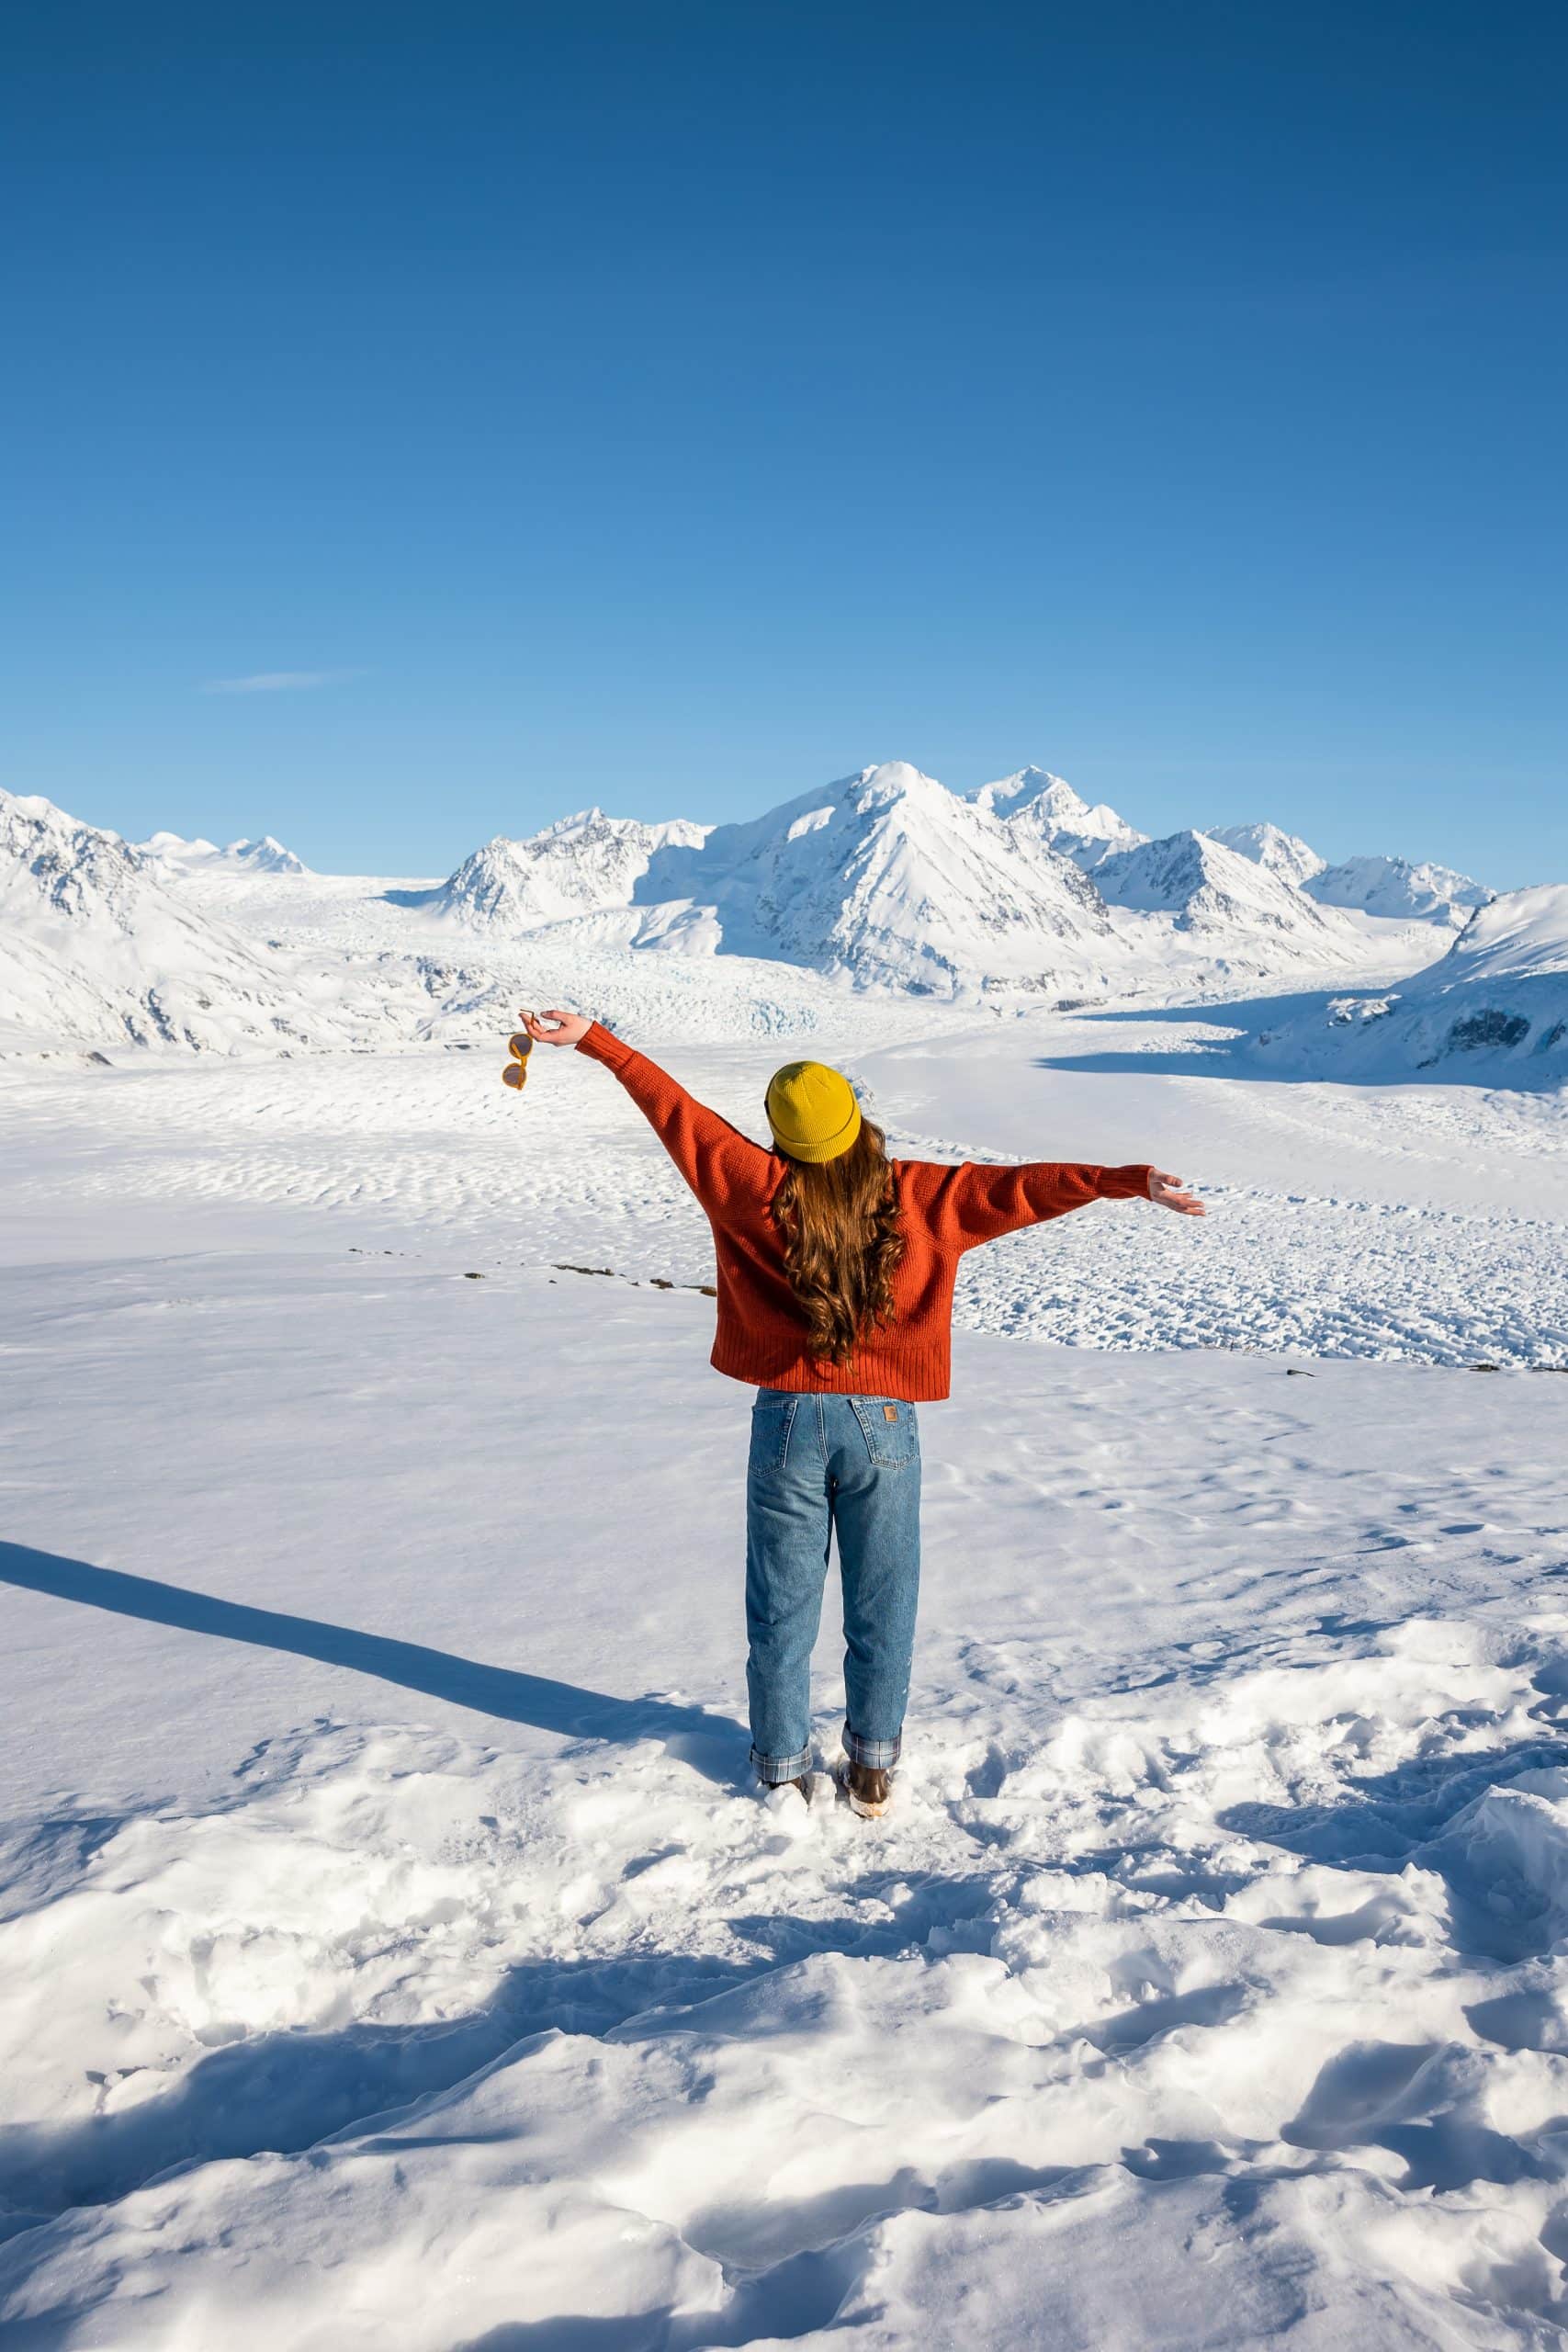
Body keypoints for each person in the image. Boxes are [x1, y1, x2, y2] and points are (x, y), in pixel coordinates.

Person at [520, 1008, 1204, 1818]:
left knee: (781, 1603)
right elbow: (1020, 1188)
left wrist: (595, 1040)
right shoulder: (922, 1194)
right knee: (883, 1598)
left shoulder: (747, 1184)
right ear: (856, 1122)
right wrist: (1125, 1180)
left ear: (779, 1136)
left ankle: (780, 1766)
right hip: (883, 1425)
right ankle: (872, 1767)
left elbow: (677, 1114)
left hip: (785, 1421)